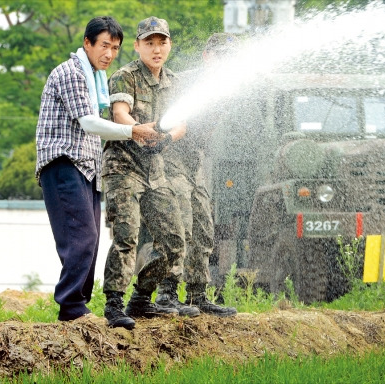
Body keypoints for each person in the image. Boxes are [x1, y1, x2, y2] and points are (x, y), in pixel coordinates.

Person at [35, 16, 159, 322]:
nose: (109, 53)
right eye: (104, 45)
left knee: (89, 238)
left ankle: (78, 306)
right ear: (87, 43)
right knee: (83, 236)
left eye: (115, 48)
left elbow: (96, 127)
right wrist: (133, 131)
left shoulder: (95, 78)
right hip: (63, 164)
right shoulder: (72, 73)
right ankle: (71, 307)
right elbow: (89, 123)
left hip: (86, 169)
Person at [101, 16, 196, 330]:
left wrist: (167, 137)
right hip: (123, 167)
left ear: (169, 44)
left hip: (155, 171)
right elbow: (119, 113)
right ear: (137, 45)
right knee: (126, 237)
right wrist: (138, 130)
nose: (157, 49)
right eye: (150, 43)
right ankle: (114, 305)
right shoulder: (124, 76)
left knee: (174, 240)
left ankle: (141, 299)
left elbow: (181, 124)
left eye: (162, 42)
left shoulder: (175, 82)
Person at [150, 33, 241, 317]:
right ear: (206, 56)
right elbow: (163, 120)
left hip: (195, 161)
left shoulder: (228, 88)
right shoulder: (184, 82)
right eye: (220, 55)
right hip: (172, 157)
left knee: (204, 226)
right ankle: (166, 293)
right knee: (181, 225)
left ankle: (197, 295)